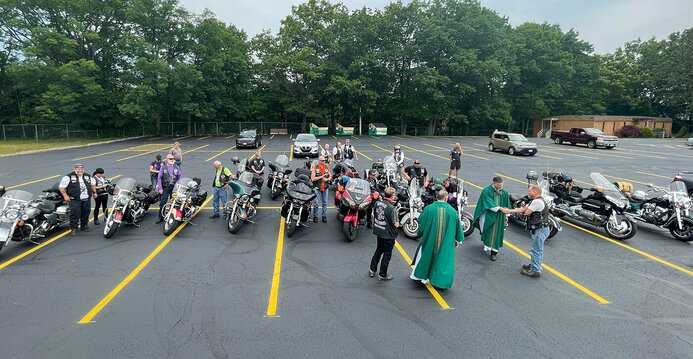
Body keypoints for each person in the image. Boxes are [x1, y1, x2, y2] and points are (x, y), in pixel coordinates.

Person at [410, 190, 465, 289]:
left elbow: (421, 220)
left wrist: (422, 232)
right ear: (446, 198)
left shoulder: (429, 209)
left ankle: (418, 278)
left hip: (430, 240)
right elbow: (457, 227)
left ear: (436, 197)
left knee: (424, 257)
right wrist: (457, 240)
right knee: (443, 261)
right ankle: (441, 283)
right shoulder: (452, 211)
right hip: (446, 242)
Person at [501, 185, 550, 277]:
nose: (528, 193)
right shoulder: (535, 201)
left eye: (530, 191)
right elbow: (523, 208)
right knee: (536, 249)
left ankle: (536, 270)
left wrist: (524, 209)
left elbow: (527, 212)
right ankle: (535, 264)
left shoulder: (537, 202)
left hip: (540, 229)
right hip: (539, 228)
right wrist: (509, 211)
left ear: (535, 192)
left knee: (536, 250)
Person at [473, 176, 511, 261]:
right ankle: (486, 245)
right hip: (488, 215)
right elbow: (487, 202)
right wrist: (500, 208)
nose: (500, 186)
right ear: (493, 183)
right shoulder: (486, 190)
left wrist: (507, 216)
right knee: (488, 230)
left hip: (500, 217)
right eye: (499, 185)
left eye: (502, 185)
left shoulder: (503, 191)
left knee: (497, 233)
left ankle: (494, 252)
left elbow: (506, 203)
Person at [369, 187, 400, 281]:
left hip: (379, 231)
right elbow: (396, 224)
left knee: (378, 250)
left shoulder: (378, 203)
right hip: (388, 235)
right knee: (387, 254)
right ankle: (382, 274)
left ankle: (372, 269)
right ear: (392, 197)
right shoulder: (392, 208)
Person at [58, 164, 95, 236]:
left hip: (86, 198)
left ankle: (84, 226)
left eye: (81, 169)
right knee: (75, 214)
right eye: (78, 169)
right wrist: (65, 196)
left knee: (86, 212)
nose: (80, 170)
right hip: (75, 199)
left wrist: (94, 192)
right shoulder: (68, 177)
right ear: (75, 169)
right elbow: (62, 187)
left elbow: (92, 184)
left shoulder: (87, 176)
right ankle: (74, 228)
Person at [156, 154, 182, 223]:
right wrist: (160, 188)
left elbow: (179, 176)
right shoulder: (163, 168)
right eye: (170, 159)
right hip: (165, 188)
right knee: (163, 202)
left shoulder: (177, 167)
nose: (172, 160)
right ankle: (160, 217)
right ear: (167, 159)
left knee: (174, 202)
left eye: (173, 158)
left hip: (174, 188)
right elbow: (159, 178)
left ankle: (172, 216)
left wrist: (180, 186)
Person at [310, 155, 332, 223]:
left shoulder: (327, 167)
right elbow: (313, 178)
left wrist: (327, 179)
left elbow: (330, 176)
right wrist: (321, 176)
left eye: (324, 160)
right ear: (319, 161)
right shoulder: (314, 168)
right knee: (316, 203)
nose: (324, 162)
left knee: (325, 203)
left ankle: (324, 216)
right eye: (323, 161)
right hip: (317, 188)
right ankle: (315, 216)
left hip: (325, 188)